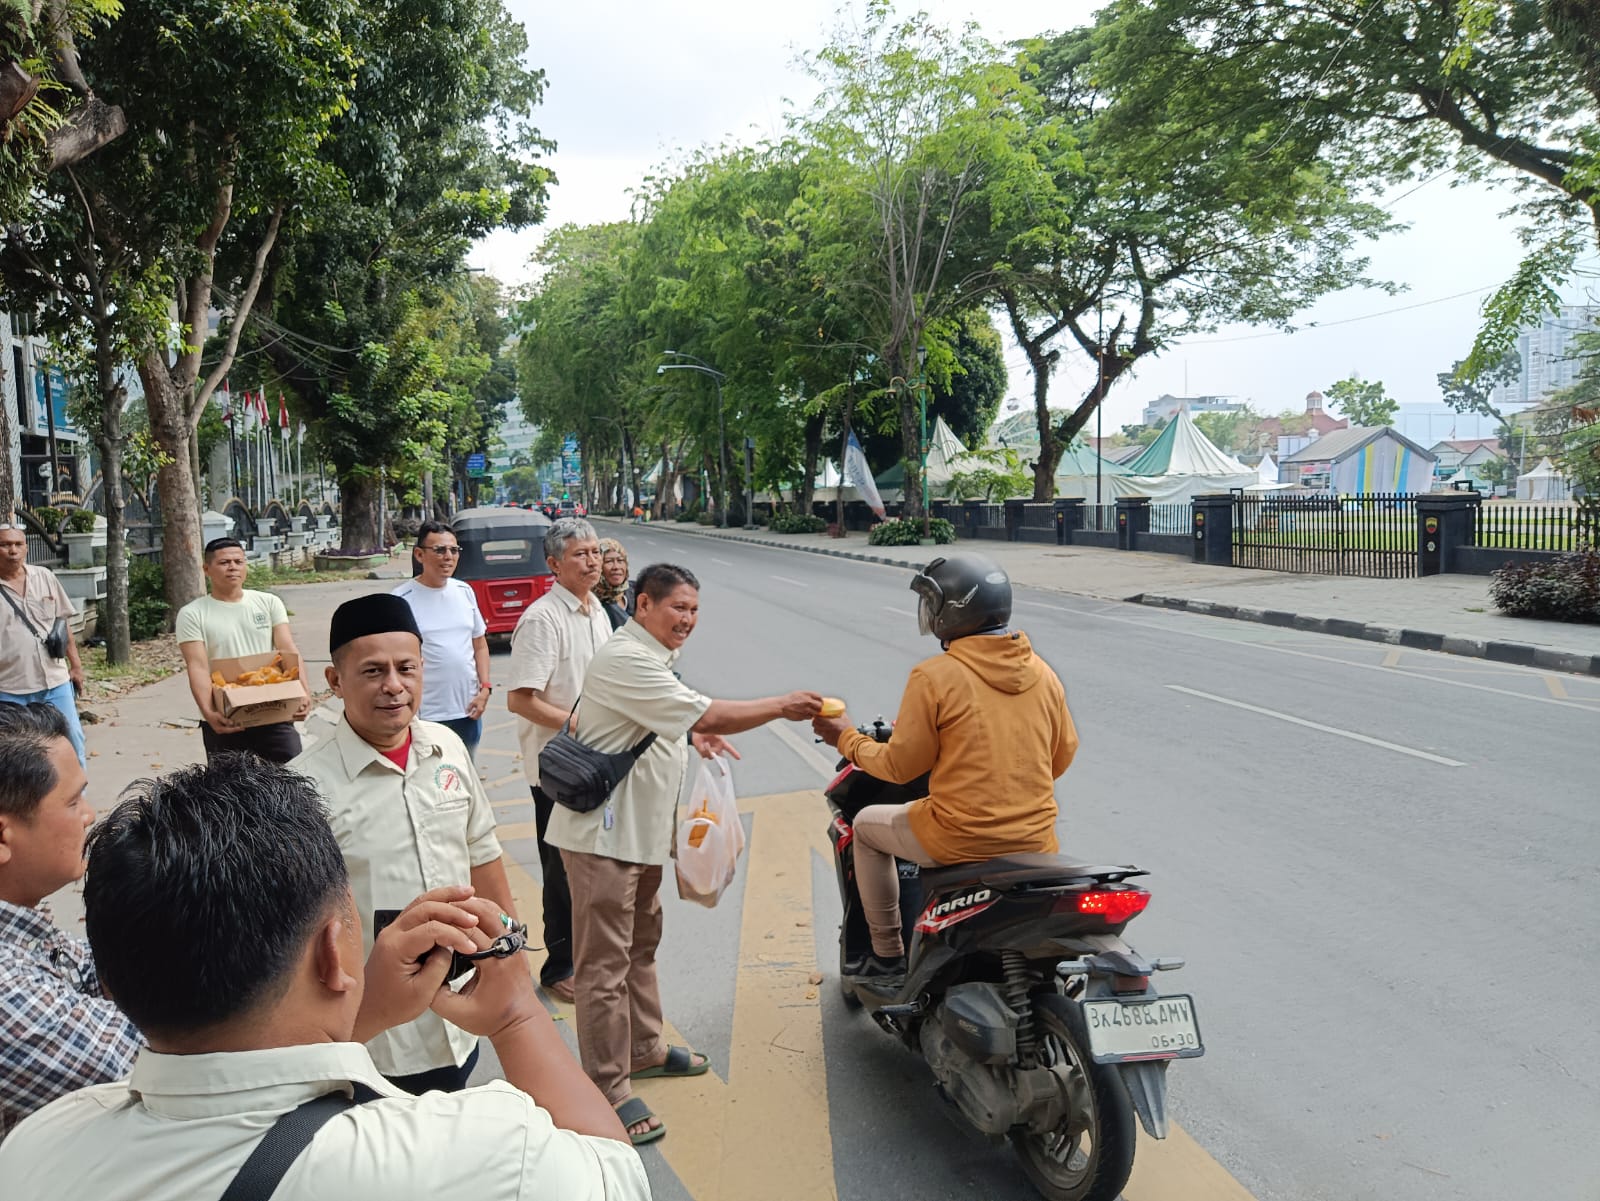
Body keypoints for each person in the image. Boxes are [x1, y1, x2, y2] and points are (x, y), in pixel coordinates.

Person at [0, 756, 647, 1200]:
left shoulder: (36, 1148)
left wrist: (351, 1008)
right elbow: (617, 1176)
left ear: (113, 976)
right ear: (336, 954)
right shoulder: (475, 1152)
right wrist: (517, 1016)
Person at [550, 561, 822, 1144]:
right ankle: (607, 1087)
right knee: (602, 966)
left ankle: (644, 1047)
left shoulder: (652, 657)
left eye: (695, 610)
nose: (688, 620)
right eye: (677, 608)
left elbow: (666, 718)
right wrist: (780, 706)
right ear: (643, 605)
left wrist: (691, 734)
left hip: (641, 835)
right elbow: (708, 711)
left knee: (642, 945)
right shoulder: (626, 657)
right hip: (604, 838)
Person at [813, 553, 1078, 982]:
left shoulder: (935, 676)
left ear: (948, 611)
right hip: (1035, 838)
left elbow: (900, 767)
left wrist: (845, 737)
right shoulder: (1043, 673)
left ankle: (886, 953)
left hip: (958, 836)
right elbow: (1061, 756)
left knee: (864, 827)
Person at [293, 593, 519, 1095]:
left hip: (462, 1015)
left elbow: (480, 852)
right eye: (373, 672)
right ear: (335, 682)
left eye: (406, 668)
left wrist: (509, 948)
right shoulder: (302, 788)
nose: (394, 686)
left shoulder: (448, 747)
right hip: (377, 1041)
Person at [0, 703, 141, 1139]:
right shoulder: (8, 994)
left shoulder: (24, 929)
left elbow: (88, 967)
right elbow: (174, 1050)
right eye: (73, 800)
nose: (90, 814)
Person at [506, 518, 608, 1005]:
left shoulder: (597, 612)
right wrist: (573, 722)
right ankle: (560, 965)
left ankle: (590, 955)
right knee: (561, 867)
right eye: (580, 554)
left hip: (599, 759)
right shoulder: (542, 619)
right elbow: (521, 699)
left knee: (594, 862)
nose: (592, 561)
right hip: (558, 767)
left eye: (595, 552)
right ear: (553, 565)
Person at [176, 537, 311, 764]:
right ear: (207, 569)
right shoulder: (192, 614)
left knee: (292, 776)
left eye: (238, 561)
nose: (233, 567)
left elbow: (287, 648)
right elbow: (197, 665)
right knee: (229, 791)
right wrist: (210, 714)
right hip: (227, 716)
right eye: (224, 562)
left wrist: (303, 693)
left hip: (272, 708)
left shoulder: (269, 603)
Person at [391, 519, 492, 757]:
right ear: (419, 554)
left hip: (467, 711)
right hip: (424, 715)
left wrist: (485, 688)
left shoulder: (464, 592)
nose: (448, 556)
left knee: (465, 779)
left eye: (453, 550)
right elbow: (394, 659)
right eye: (439, 550)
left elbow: (479, 645)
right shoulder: (401, 600)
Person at [0, 522, 87, 765]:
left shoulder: (45, 577)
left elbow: (63, 624)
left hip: (54, 681)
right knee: (18, 756)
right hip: (10, 689)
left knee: (72, 743)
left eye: (18, 544)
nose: (13, 550)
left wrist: (76, 666)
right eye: (5, 545)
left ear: (26, 548)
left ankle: (77, 800)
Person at [595, 538, 635, 630]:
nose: (616, 567)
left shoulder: (636, 592)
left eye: (620, 561)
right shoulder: (593, 602)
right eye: (609, 561)